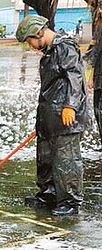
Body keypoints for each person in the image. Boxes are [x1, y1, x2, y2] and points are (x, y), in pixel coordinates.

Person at [15, 15, 90, 216]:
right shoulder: (49, 53)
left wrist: (70, 105)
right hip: (50, 116)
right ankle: (48, 193)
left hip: (66, 116)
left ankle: (70, 201)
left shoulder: (65, 48)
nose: (31, 46)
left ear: (38, 33)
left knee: (66, 159)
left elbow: (75, 77)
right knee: (46, 156)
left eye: (30, 41)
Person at [85, 5, 102, 147]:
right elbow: (94, 55)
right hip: (99, 77)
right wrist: (91, 77)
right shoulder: (99, 31)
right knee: (98, 112)